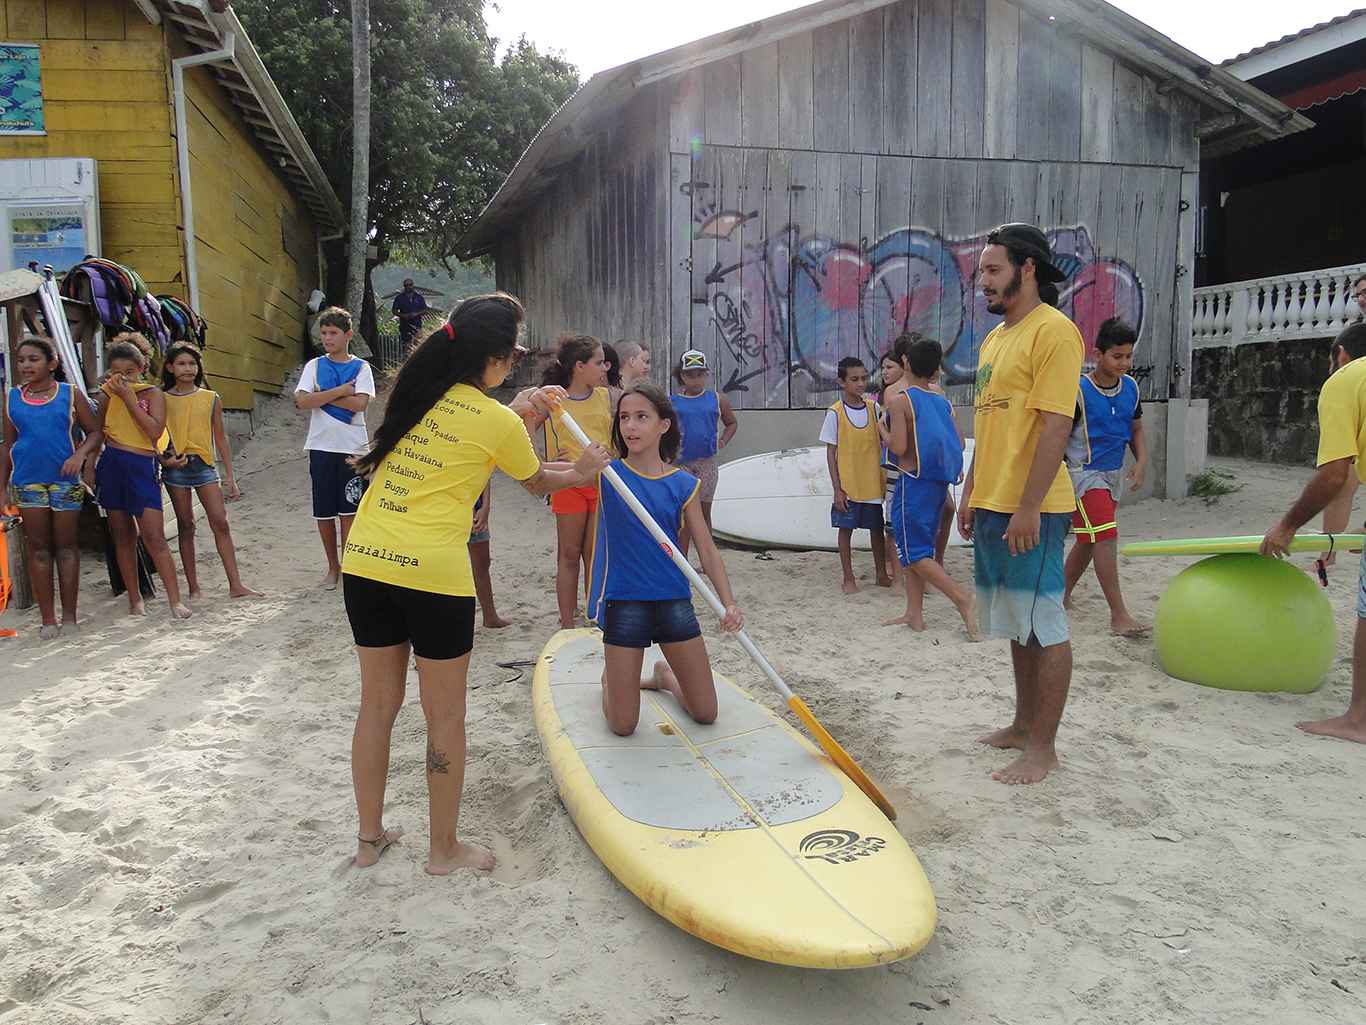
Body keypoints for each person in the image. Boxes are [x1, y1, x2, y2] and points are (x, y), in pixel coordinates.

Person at [341, 294, 611, 874]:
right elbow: (539, 478)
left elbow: (483, 431)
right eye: (513, 351)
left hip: (364, 563)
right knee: (445, 718)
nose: (516, 360)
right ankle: (443, 851)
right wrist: (585, 469)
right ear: (494, 357)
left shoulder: (416, 395)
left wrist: (521, 410)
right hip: (433, 576)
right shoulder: (490, 420)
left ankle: (369, 842)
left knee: (377, 706)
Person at [957, 223, 1084, 785]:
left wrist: (1030, 506)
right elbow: (989, 428)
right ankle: (1021, 723)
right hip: (993, 500)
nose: (982, 282)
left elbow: (1057, 424)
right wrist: (970, 493)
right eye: (981, 272)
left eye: (992, 270)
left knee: (1045, 622)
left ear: (1026, 268)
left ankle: (1044, 748)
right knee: (1016, 621)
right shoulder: (994, 339)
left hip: (1034, 505)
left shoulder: (1055, 332)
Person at [587, 381, 744, 736]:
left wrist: (729, 603)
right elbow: (547, 475)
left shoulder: (683, 484)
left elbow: (707, 550)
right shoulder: (608, 475)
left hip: (673, 600)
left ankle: (663, 676)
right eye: (624, 418)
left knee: (706, 712)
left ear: (663, 425)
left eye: (642, 417)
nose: (630, 426)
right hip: (625, 603)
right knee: (623, 725)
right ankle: (611, 680)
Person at [1260, 321, 1366, 745]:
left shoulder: (1345, 379)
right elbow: (1349, 479)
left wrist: (1287, 526)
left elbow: (1334, 475)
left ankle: (1359, 720)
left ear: (1339, 354)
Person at [0, 334, 102, 637]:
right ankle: (48, 620)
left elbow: (95, 433)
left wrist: (80, 456)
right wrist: (2, 488)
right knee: (39, 549)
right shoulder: (11, 398)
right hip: (27, 482)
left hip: (65, 482)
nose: (26, 365)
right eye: (21, 360)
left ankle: (69, 617)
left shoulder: (70, 394)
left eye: (34, 359)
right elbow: (8, 444)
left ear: (52, 363)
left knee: (67, 547)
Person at [883, 338, 977, 637]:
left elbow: (897, 446)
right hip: (937, 485)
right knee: (918, 548)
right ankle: (914, 614)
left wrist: (880, 429)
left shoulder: (900, 401)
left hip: (912, 485)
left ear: (906, 363)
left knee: (912, 553)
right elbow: (959, 443)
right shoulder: (942, 402)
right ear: (936, 369)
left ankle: (962, 598)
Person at [94, 337, 191, 620]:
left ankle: (175, 601)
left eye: (129, 372)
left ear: (141, 368)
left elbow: (153, 430)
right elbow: (98, 431)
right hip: (112, 463)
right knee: (122, 536)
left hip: (142, 464)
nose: (122, 378)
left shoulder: (152, 394)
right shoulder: (105, 395)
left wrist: (128, 398)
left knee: (154, 536)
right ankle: (135, 600)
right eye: (116, 372)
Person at [1062, 318, 1147, 636]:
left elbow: (1136, 430)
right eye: (1117, 356)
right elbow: (1058, 437)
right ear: (1098, 354)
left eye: (1128, 356)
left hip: (1113, 475)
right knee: (1106, 535)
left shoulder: (1132, 388)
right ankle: (1119, 614)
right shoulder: (1079, 391)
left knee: (1088, 540)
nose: (1124, 363)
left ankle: (1061, 594)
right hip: (1083, 475)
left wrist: (1141, 462)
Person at [160, 343, 261, 601]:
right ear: (170, 367)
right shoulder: (161, 398)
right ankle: (194, 587)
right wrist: (165, 457)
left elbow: (221, 437)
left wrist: (230, 476)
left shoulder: (210, 397)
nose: (188, 369)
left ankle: (235, 584)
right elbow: (156, 433)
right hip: (177, 467)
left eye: (192, 363)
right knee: (185, 525)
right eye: (181, 363)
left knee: (220, 521)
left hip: (204, 466)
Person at [528, 334, 611, 629]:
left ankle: (593, 617)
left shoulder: (605, 396)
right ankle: (566, 624)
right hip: (568, 485)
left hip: (601, 486)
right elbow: (523, 427)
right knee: (569, 555)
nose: (605, 368)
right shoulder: (553, 401)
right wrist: (542, 459)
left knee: (593, 555)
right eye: (599, 362)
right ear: (579, 366)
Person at [294, 307, 375, 590]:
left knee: (350, 511)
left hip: (353, 448)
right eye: (324, 333)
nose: (327, 338)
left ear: (348, 335)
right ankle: (332, 567)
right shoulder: (314, 366)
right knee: (324, 512)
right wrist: (341, 391)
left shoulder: (361, 368)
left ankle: (351, 567)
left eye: (333, 333)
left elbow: (360, 405)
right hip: (321, 446)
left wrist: (319, 397)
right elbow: (302, 402)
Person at [822, 356, 892, 594]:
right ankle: (848, 577)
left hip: (872, 482)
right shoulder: (835, 413)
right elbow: (831, 453)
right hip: (849, 486)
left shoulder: (874, 408)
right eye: (854, 379)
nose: (861, 383)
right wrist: (837, 488)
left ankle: (881, 573)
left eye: (864, 378)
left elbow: (885, 438)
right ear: (842, 382)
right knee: (846, 530)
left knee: (876, 529)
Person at [672, 349, 737, 558]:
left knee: (705, 513)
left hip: (707, 463)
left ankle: (707, 560)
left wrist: (723, 441)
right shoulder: (672, 402)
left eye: (700, 374)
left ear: (706, 374)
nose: (696, 379)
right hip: (681, 464)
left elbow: (731, 423)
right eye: (691, 374)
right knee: (684, 515)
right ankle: (682, 561)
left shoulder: (717, 399)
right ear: (682, 376)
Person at [878, 348, 906, 587]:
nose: (885, 372)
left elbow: (895, 440)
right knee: (892, 523)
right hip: (895, 465)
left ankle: (899, 577)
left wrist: (882, 429)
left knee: (894, 522)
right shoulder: (889, 394)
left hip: (899, 464)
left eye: (890, 367)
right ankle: (898, 577)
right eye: (883, 367)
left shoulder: (893, 395)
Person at [468, 485, 509, 628]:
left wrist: (486, 507)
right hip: (449, 506)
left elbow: (486, 474)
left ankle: (490, 616)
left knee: (482, 563)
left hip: (475, 504)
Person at [392, 278, 430, 350]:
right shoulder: (399, 298)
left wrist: (416, 314)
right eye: (406, 285)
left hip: (417, 325)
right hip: (405, 326)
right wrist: (403, 315)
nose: (408, 287)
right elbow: (394, 311)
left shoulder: (419, 297)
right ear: (404, 286)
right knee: (406, 346)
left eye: (410, 285)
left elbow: (425, 310)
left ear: (413, 286)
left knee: (418, 346)